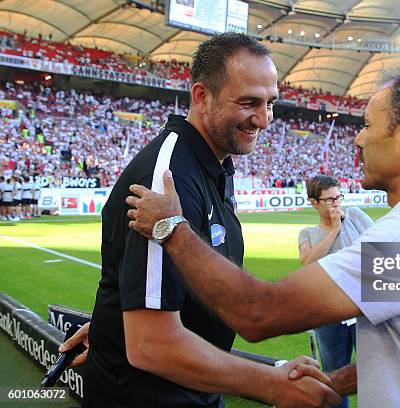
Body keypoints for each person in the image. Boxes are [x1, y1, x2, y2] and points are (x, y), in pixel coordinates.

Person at [123, 66, 400, 406]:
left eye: (369, 125)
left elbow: (258, 312)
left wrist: (172, 228)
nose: (358, 140)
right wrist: (334, 381)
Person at [60, 33, 339, 408]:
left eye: (270, 103)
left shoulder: (218, 162)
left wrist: (113, 319)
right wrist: (271, 384)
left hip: (194, 389)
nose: (264, 118)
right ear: (201, 95)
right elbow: (151, 345)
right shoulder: (166, 180)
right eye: (248, 102)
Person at [298, 175, 373, 408]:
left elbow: (382, 247)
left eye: (338, 197)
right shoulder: (308, 233)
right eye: (329, 200)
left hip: (364, 308)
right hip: (327, 312)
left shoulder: (357, 216)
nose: (336, 203)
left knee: (373, 371)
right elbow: (308, 263)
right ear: (314, 202)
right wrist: (333, 230)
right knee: (334, 375)